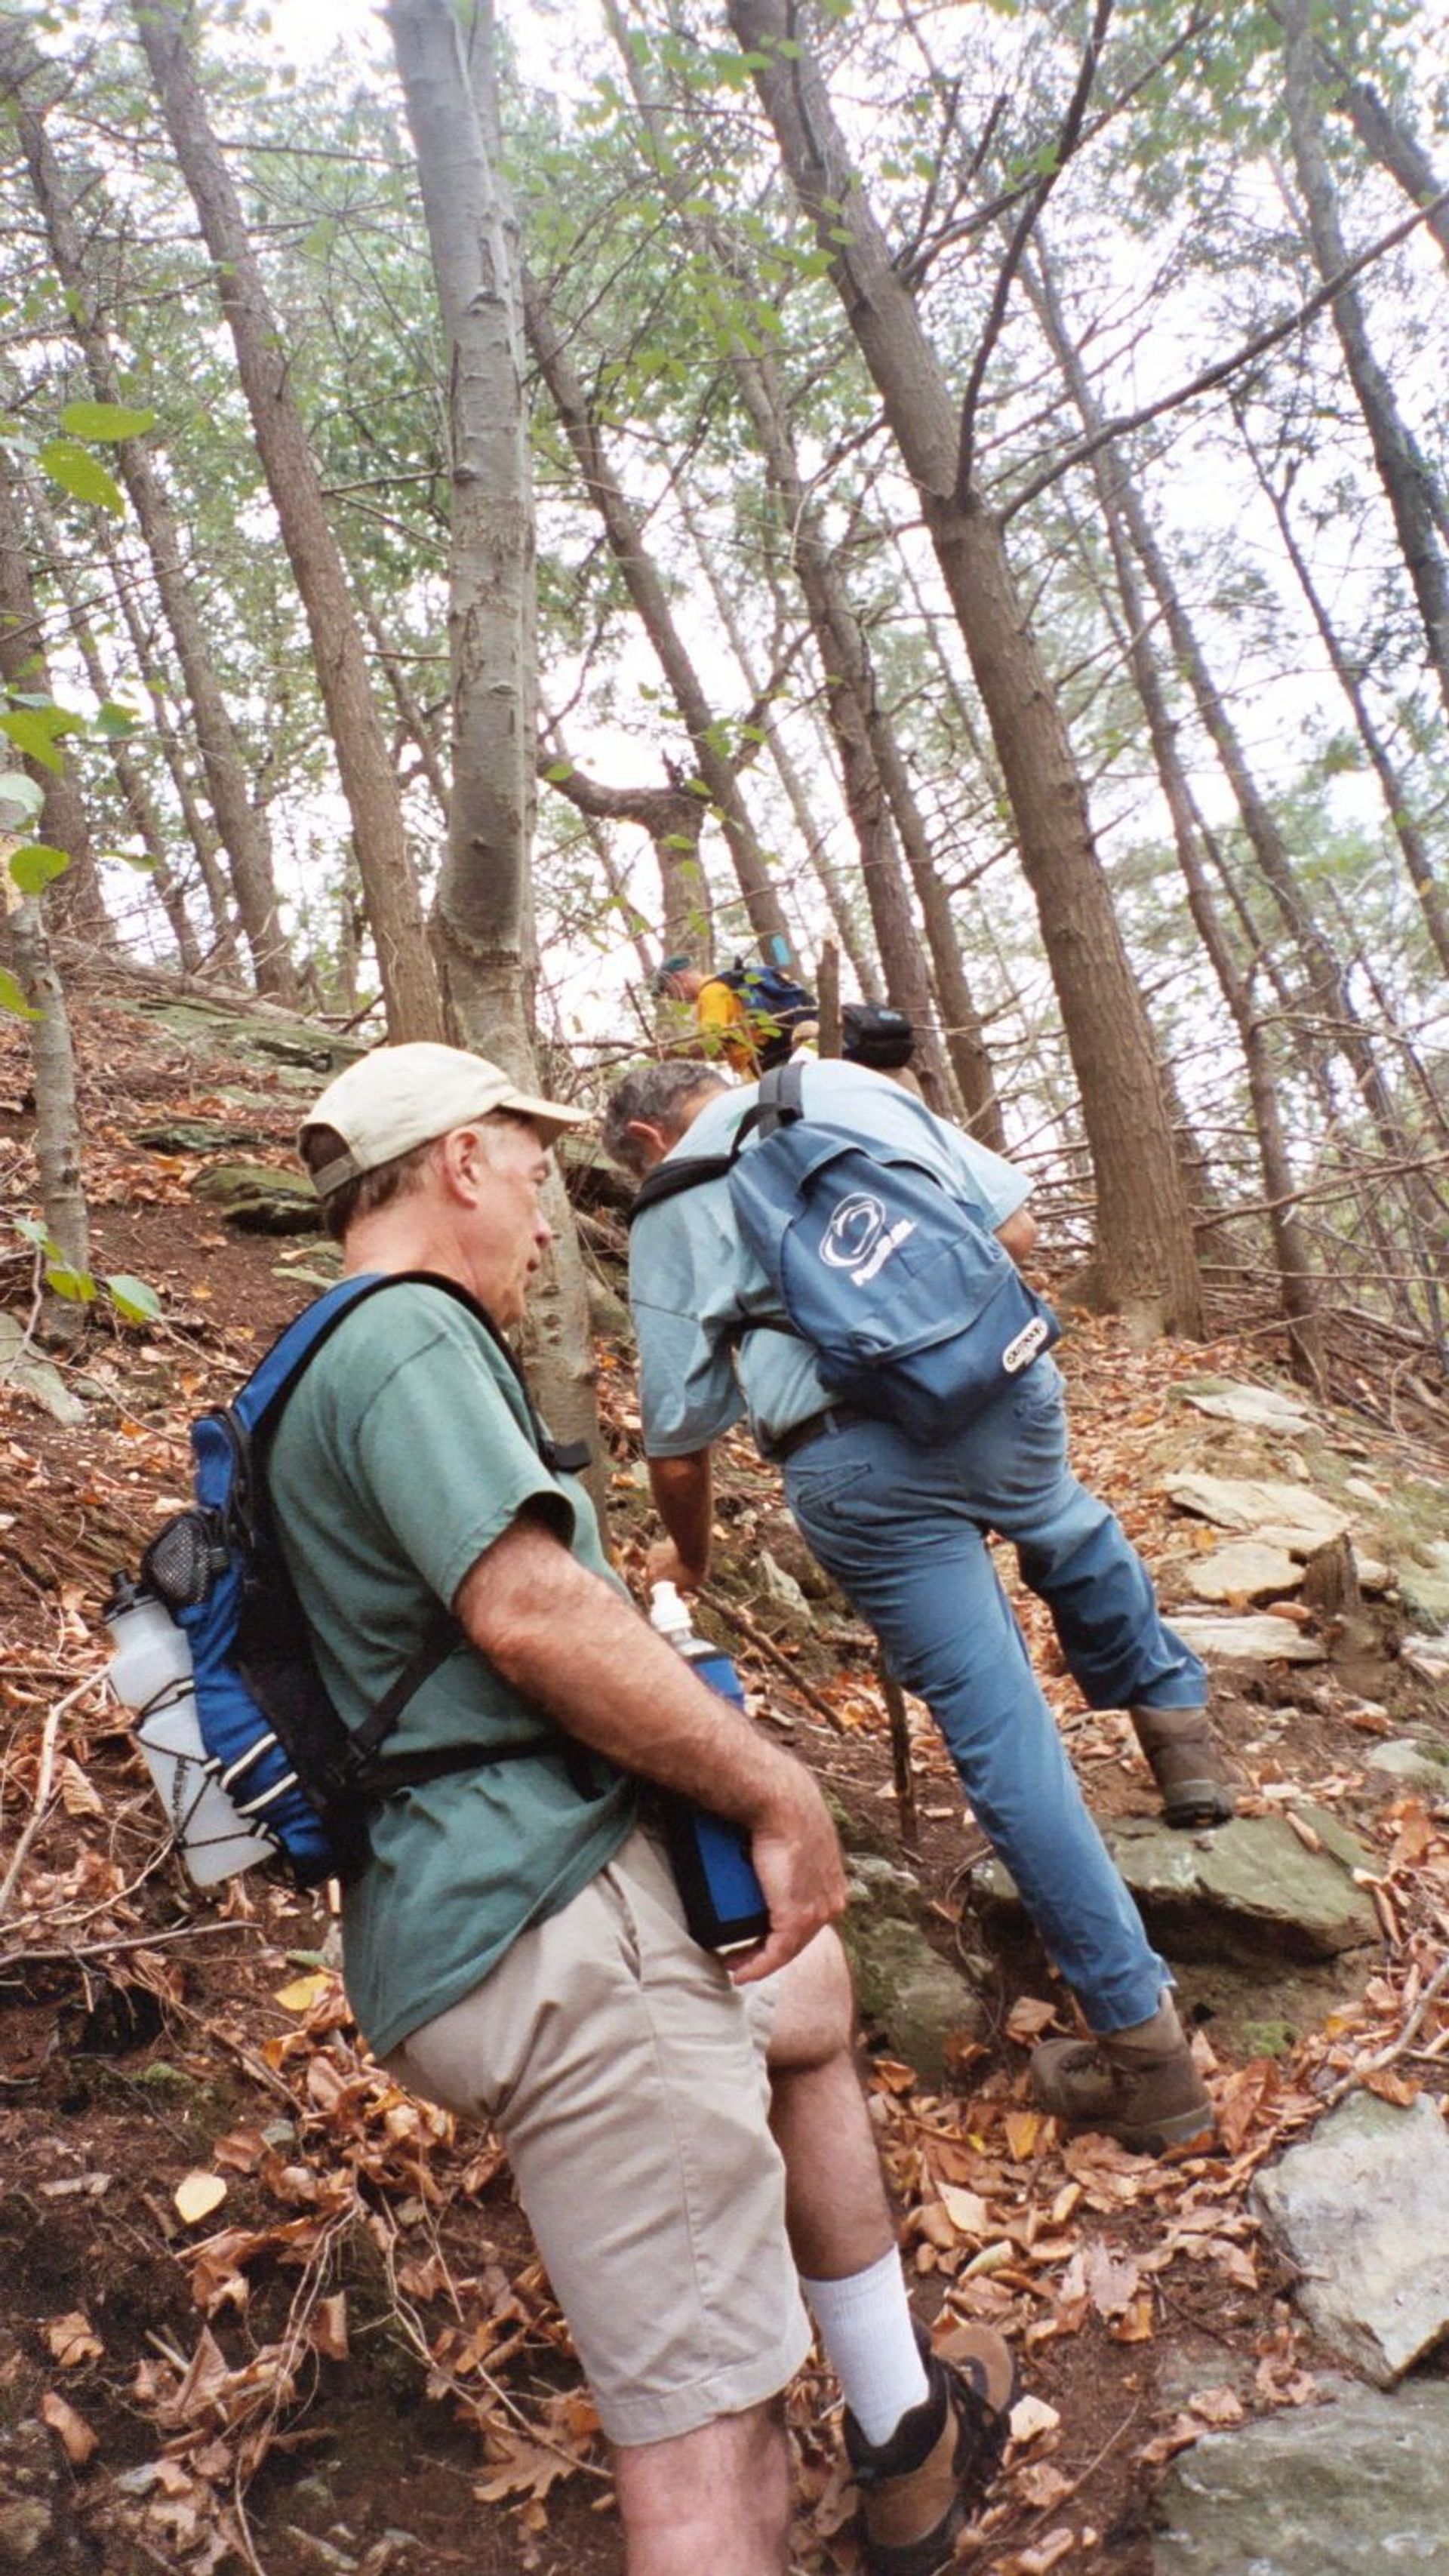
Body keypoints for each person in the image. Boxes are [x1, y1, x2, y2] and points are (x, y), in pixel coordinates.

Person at [275, 1041, 1016, 2576]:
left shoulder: (320, 1362)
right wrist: (772, 1780)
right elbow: (529, 1610)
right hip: (556, 1924)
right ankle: (848, 2456)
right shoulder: (408, 1336)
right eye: (535, 1172)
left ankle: (904, 2434)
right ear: (463, 1159)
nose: (550, 1221)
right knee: (708, 2448)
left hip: (469, 1909)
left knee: (803, 1994)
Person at [604, 1057, 1235, 2161]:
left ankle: (1150, 2057)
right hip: (1004, 1384)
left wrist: (690, 1557)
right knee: (1066, 1522)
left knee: (1003, 1733)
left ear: (649, 1142)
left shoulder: (673, 1203)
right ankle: (1182, 1739)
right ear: (722, 1075)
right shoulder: (839, 1084)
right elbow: (1021, 1230)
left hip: (858, 1468)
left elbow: (677, 1437)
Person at [653, 953, 815, 1076]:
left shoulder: (711, 993)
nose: (672, 998)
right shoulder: (727, 984)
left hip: (769, 1066)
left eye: (668, 991)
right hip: (783, 1056)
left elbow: (712, 1044)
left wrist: (671, 1052)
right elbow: (723, 1049)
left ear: (678, 979)